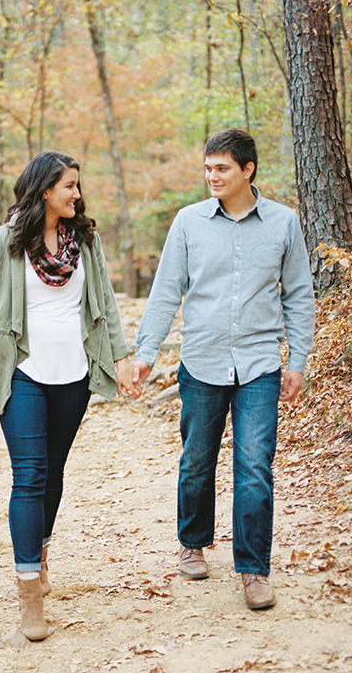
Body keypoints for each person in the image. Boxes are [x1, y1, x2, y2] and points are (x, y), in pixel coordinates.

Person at [133, 128, 315, 611]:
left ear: (247, 170)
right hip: (202, 360)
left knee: (254, 468)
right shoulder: (189, 222)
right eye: (208, 168)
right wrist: (146, 354)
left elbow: (298, 294)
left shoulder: (283, 223)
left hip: (259, 364)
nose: (212, 176)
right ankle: (192, 543)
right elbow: (166, 291)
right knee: (197, 462)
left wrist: (298, 359)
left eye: (222, 168)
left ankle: (254, 570)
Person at [0, 151, 138, 641]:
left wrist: (120, 356)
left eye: (77, 186)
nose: (77, 194)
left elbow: (103, 301)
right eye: (69, 186)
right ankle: (29, 594)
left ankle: (39, 552)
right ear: (44, 190)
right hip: (20, 371)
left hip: (74, 373)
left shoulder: (84, 241)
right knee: (30, 474)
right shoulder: (4, 243)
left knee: (53, 472)